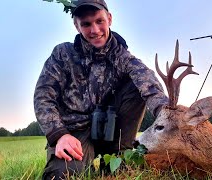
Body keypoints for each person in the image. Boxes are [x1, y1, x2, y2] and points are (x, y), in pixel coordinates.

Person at [34, 0, 168, 179]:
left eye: (99, 21)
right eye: (86, 24)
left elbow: (149, 85)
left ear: (110, 19)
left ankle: (119, 154)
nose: (95, 30)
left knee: (137, 85)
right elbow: (43, 96)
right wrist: (59, 135)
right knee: (64, 175)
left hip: (111, 129)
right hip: (74, 133)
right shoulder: (62, 54)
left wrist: (167, 112)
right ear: (76, 26)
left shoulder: (123, 57)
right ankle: (82, 162)